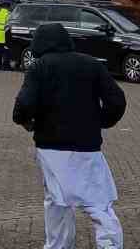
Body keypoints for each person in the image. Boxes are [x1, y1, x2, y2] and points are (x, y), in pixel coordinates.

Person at [12, 23, 127, 249]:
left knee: (56, 201)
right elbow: (117, 100)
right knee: (98, 202)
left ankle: (58, 245)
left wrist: (27, 121)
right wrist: (101, 121)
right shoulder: (91, 64)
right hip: (87, 145)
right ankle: (110, 245)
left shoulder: (39, 67)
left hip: (50, 145)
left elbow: (24, 104)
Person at [0, 2, 11, 71]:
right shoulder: (8, 14)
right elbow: (9, 26)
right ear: (7, 7)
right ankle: (6, 66)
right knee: (6, 52)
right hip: (4, 36)